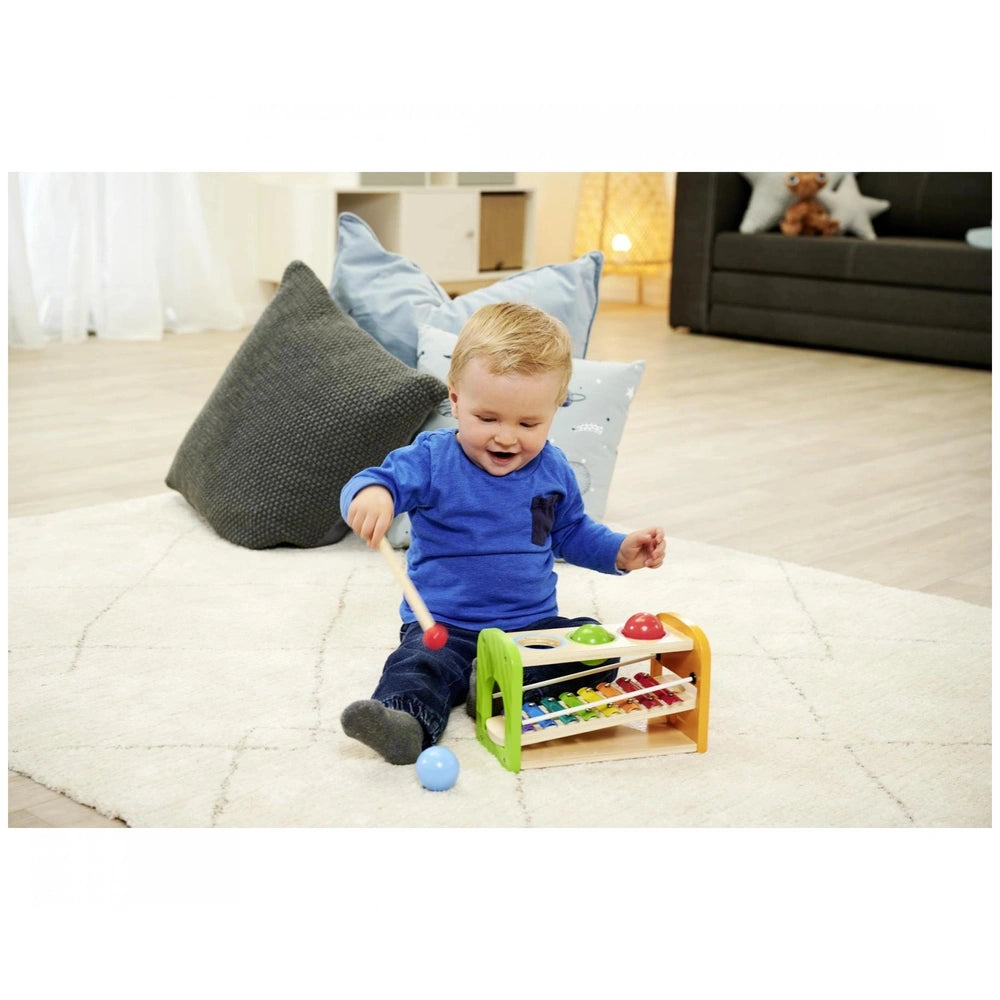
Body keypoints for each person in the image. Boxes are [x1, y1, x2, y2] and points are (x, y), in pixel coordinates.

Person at [339, 302, 665, 764]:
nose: (507, 437)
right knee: (416, 668)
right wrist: (372, 496)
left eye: (529, 423)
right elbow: (378, 480)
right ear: (455, 400)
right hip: (443, 626)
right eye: (487, 419)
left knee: (596, 649)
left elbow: (571, 532)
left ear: (555, 409)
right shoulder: (431, 460)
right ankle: (406, 725)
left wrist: (619, 551)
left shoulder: (552, 470)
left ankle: (494, 691)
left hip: (530, 628)